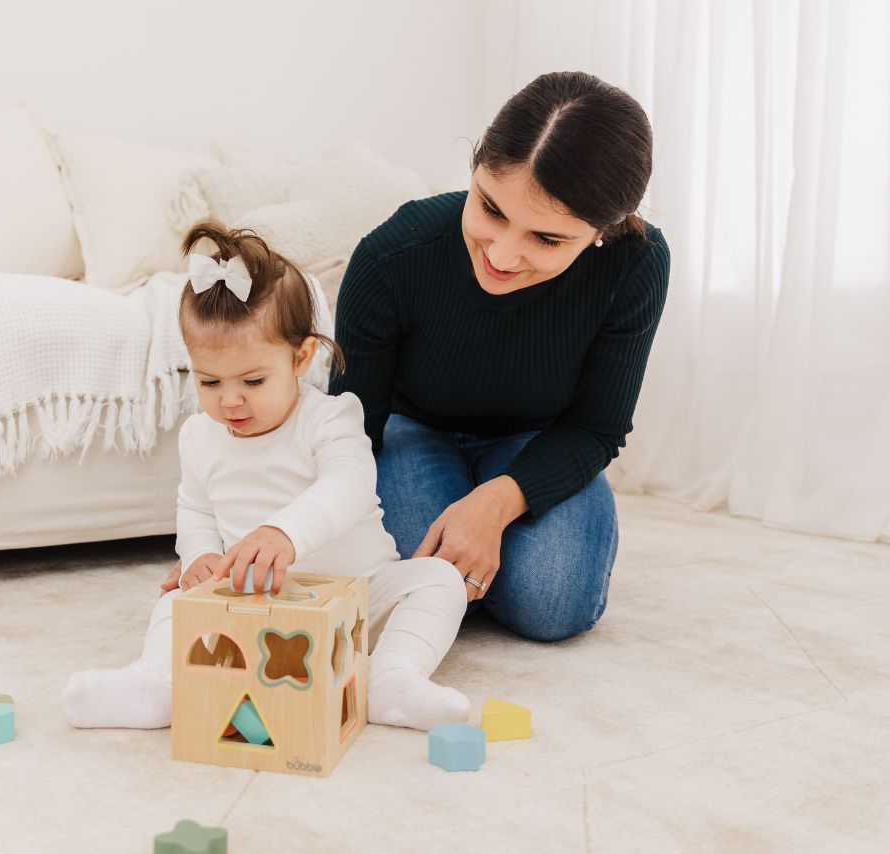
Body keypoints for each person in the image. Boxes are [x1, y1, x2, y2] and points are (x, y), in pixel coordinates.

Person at [62, 222, 470, 731]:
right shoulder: (199, 436)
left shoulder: (331, 417)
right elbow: (195, 508)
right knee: (175, 602)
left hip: (358, 595)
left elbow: (349, 484)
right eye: (209, 381)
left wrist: (284, 533)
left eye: (253, 380)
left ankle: (391, 677)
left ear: (301, 357)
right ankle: (157, 686)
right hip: (254, 603)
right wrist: (200, 555)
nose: (230, 400)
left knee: (439, 579)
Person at [329, 71, 671, 642]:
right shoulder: (392, 255)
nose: (503, 256)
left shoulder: (635, 264)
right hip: (412, 430)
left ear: (601, 233)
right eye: (490, 209)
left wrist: (496, 503)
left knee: (553, 603)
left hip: (543, 436)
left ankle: (497, 553)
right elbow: (349, 427)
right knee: (416, 585)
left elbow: (596, 427)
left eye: (547, 239)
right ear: (474, 169)